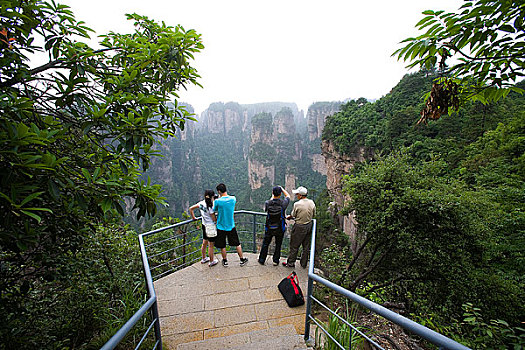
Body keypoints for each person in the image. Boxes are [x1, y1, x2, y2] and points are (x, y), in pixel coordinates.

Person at [213, 183, 248, 267]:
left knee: (222, 245)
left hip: (220, 226)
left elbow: (214, 209)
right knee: (237, 244)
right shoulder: (233, 199)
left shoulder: (218, 201)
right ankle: (242, 259)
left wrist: (216, 199)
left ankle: (225, 261)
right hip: (231, 225)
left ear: (219, 191)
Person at [283, 186, 316, 268]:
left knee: (294, 246)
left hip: (299, 226)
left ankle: (290, 263)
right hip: (309, 225)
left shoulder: (297, 204)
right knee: (306, 245)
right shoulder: (312, 202)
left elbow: (293, 215)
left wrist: (289, 217)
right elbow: (314, 214)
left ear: (301, 195)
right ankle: (303, 263)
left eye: (297, 194)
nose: (296, 195)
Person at [258, 186, 290, 266]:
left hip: (269, 227)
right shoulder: (283, 203)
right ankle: (275, 261)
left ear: (272, 193)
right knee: (278, 244)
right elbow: (288, 196)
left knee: (265, 243)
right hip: (280, 228)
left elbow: (269, 204)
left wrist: (273, 196)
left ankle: (262, 260)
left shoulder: (267, 203)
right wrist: (282, 189)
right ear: (280, 194)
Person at [189, 189, 219, 267]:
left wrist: (194, 217)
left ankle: (204, 258)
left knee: (204, 242)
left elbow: (191, 208)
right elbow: (213, 219)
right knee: (211, 245)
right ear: (212, 197)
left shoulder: (201, 203)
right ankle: (211, 261)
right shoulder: (210, 207)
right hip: (210, 227)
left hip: (204, 225)